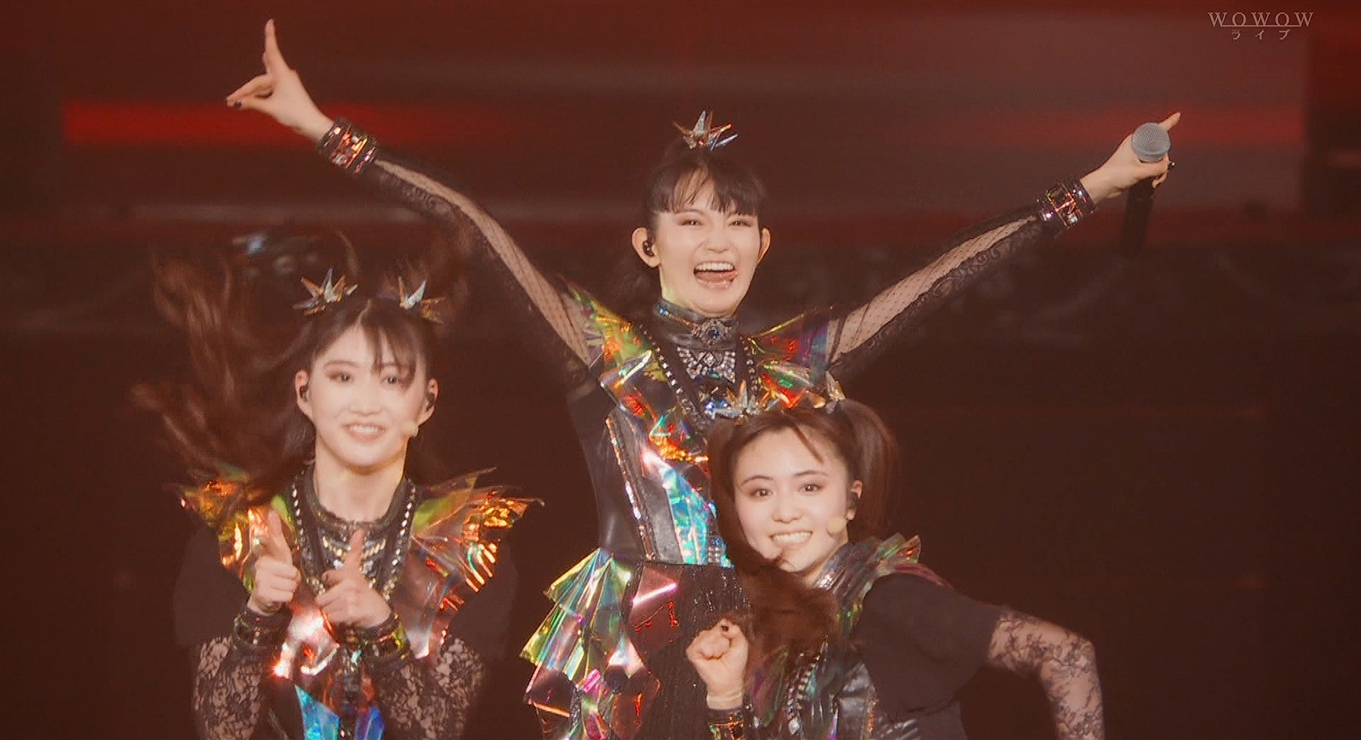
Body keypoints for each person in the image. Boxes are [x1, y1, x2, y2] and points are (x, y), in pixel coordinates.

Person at [225, 19, 1167, 739]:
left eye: (734, 223)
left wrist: (1095, 186)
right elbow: (473, 223)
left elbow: (944, 277)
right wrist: (321, 128)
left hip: (781, 628)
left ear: (762, 243)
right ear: (649, 245)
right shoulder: (603, 347)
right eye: (689, 222)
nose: (715, 243)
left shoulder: (800, 357)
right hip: (635, 641)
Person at [140, 248, 533, 740]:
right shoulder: (236, 541)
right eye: (343, 377)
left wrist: (381, 627)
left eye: (391, 379)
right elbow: (222, 731)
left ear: (427, 401)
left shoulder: (469, 550)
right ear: (305, 392)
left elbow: (437, 732)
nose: (365, 403)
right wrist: (259, 614)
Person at [687, 399, 1104, 739]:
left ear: (851, 500)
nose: (784, 512)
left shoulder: (886, 599)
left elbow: (1065, 654)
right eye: (761, 492)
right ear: (737, 509)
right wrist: (725, 696)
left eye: (809, 487)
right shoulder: (780, 629)